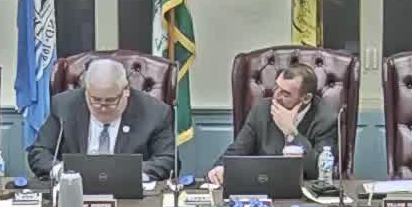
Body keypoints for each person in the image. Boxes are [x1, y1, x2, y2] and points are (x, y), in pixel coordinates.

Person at [26, 58, 176, 181]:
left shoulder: (155, 113)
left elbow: (169, 160)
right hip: (75, 192)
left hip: (130, 197)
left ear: (126, 91)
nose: (102, 107)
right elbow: (39, 152)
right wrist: (60, 171)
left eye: (110, 100)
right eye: (96, 100)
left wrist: (132, 173)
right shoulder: (63, 106)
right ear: (86, 92)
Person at [208, 63, 338, 185]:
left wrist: (291, 133)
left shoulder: (326, 119)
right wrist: (221, 168)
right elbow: (237, 150)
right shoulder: (262, 109)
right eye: (276, 87)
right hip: (262, 186)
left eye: (285, 93)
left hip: (303, 191)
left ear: (306, 98)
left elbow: (320, 171)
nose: (276, 96)